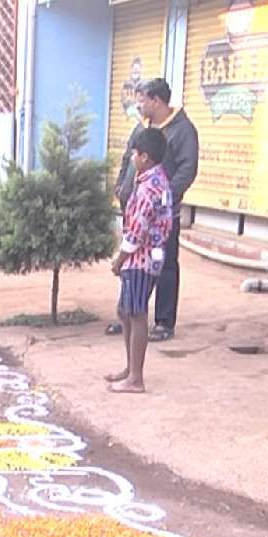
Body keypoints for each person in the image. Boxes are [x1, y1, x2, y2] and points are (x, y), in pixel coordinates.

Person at [106, 78, 198, 342]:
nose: (139, 105)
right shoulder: (142, 128)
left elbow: (187, 170)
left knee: (165, 264)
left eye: (142, 99)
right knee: (136, 266)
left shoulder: (183, 130)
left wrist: (164, 198)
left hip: (162, 218)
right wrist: (121, 187)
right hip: (136, 211)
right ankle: (128, 313)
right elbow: (127, 158)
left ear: (156, 101)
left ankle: (164, 322)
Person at [108, 128, 173, 394]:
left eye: (135, 153)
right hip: (142, 257)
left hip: (141, 259)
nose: (132, 157)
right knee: (125, 311)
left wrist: (119, 259)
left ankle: (136, 377)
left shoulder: (150, 187)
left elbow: (137, 230)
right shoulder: (151, 179)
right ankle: (130, 367)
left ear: (145, 156)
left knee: (136, 314)